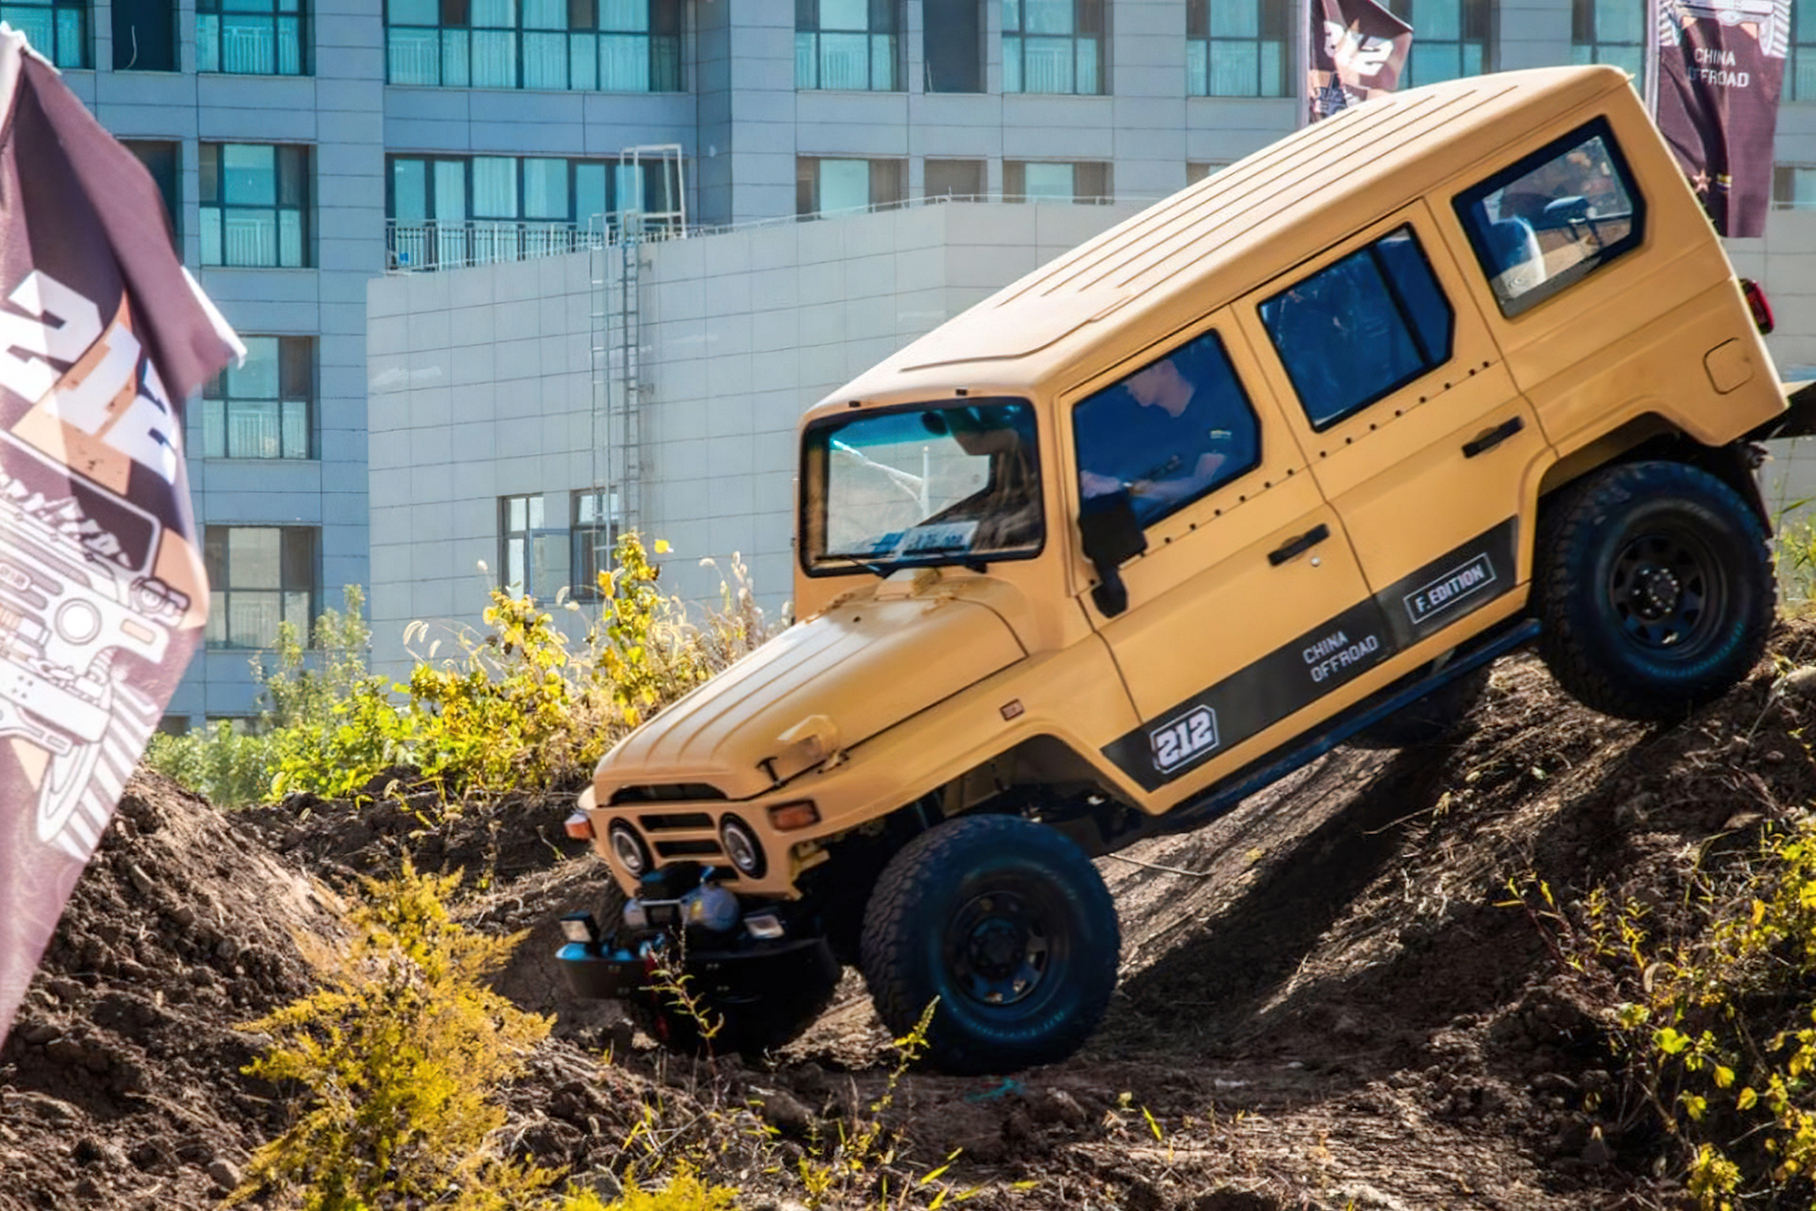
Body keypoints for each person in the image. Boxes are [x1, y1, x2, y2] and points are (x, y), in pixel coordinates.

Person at [1075, 336, 1253, 525]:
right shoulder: (1156, 427)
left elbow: (1203, 483)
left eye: (1132, 375)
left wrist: (1122, 487)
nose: (1126, 385)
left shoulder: (1216, 410)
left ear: (1165, 367)